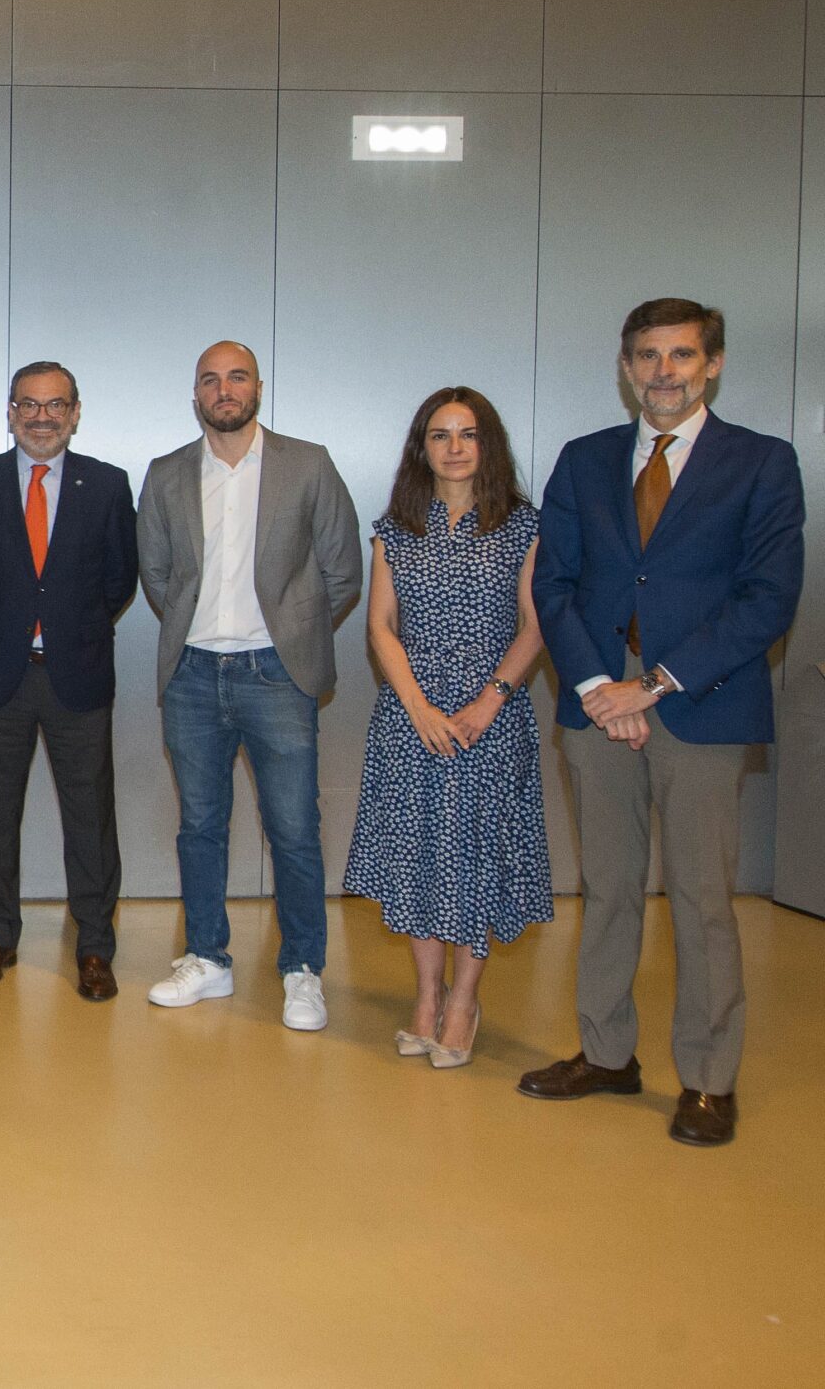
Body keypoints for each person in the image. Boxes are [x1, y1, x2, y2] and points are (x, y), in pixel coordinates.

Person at [520, 298, 803, 1146]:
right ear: (626, 366)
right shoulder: (584, 460)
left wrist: (656, 685)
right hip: (596, 707)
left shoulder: (762, 462)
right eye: (648, 355)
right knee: (606, 891)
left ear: (711, 363)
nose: (664, 372)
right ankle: (608, 1054)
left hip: (702, 710)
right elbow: (554, 585)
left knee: (702, 900)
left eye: (681, 355)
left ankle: (710, 1080)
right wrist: (605, 685)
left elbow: (769, 597)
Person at [136, 340, 362, 1032]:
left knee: (293, 827)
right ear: (196, 394)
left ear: (258, 387)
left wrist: (291, 634)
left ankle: (302, 968)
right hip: (194, 674)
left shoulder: (308, 464)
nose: (223, 390)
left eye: (236, 377)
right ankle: (206, 957)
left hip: (277, 674)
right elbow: (157, 574)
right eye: (210, 380)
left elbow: (343, 570)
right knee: (199, 826)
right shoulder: (168, 472)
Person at [343, 388, 550, 1069]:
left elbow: (535, 624)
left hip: (491, 717)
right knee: (420, 859)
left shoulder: (522, 525)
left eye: (468, 433)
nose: (455, 446)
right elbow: (379, 627)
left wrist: (489, 701)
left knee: (477, 861)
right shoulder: (397, 527)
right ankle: (426, 998)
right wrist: (420, 709)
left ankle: (464, 1000)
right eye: (440, 434)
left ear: (487, 444)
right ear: (421, 447)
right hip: (412, 718)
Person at [0, 361, 136, 1001]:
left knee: (90, 820)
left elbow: (119, 581)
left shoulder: (107, 485)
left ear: (75, 412)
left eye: (56, 405)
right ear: (10, 411)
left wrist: (63, 628)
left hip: (76, 677)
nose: (42, 416)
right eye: (29, 404)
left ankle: (93, 947)